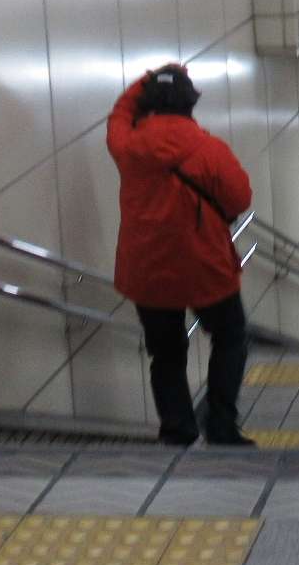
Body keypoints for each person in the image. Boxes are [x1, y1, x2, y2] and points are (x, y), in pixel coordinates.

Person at [108, 63, 255, 447]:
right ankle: (221, 425)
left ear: (148, 105)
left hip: (148, 271)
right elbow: (240, 197)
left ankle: (177, 430)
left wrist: (148, 79)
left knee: (166, 353)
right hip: (204, 267)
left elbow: (119, 112)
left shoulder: (127, 147)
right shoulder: (210, 151)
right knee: (230, 337)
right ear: (191, 103)